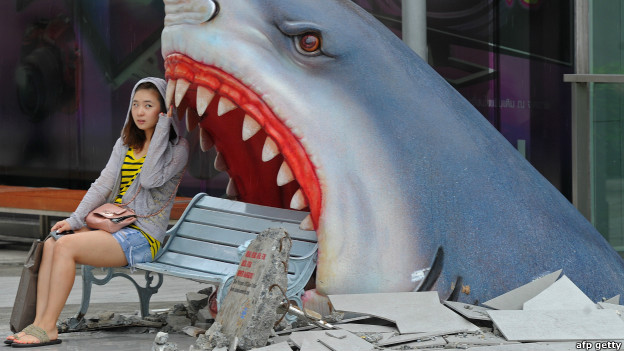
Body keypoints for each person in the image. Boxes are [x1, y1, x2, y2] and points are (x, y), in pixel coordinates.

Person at [6, 77, 189, 347]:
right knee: (53, 243)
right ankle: (38, 323)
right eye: (135, 104)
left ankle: (48, 327)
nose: (139, 111)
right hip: (115, 226)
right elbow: (102, 184)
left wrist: (162, 129)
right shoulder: (126, 143)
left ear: (164, 111)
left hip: (143, 236)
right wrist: (75, 219)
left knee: (67, 248)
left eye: (148, 105)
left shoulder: (178, 149)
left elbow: (150, 179)